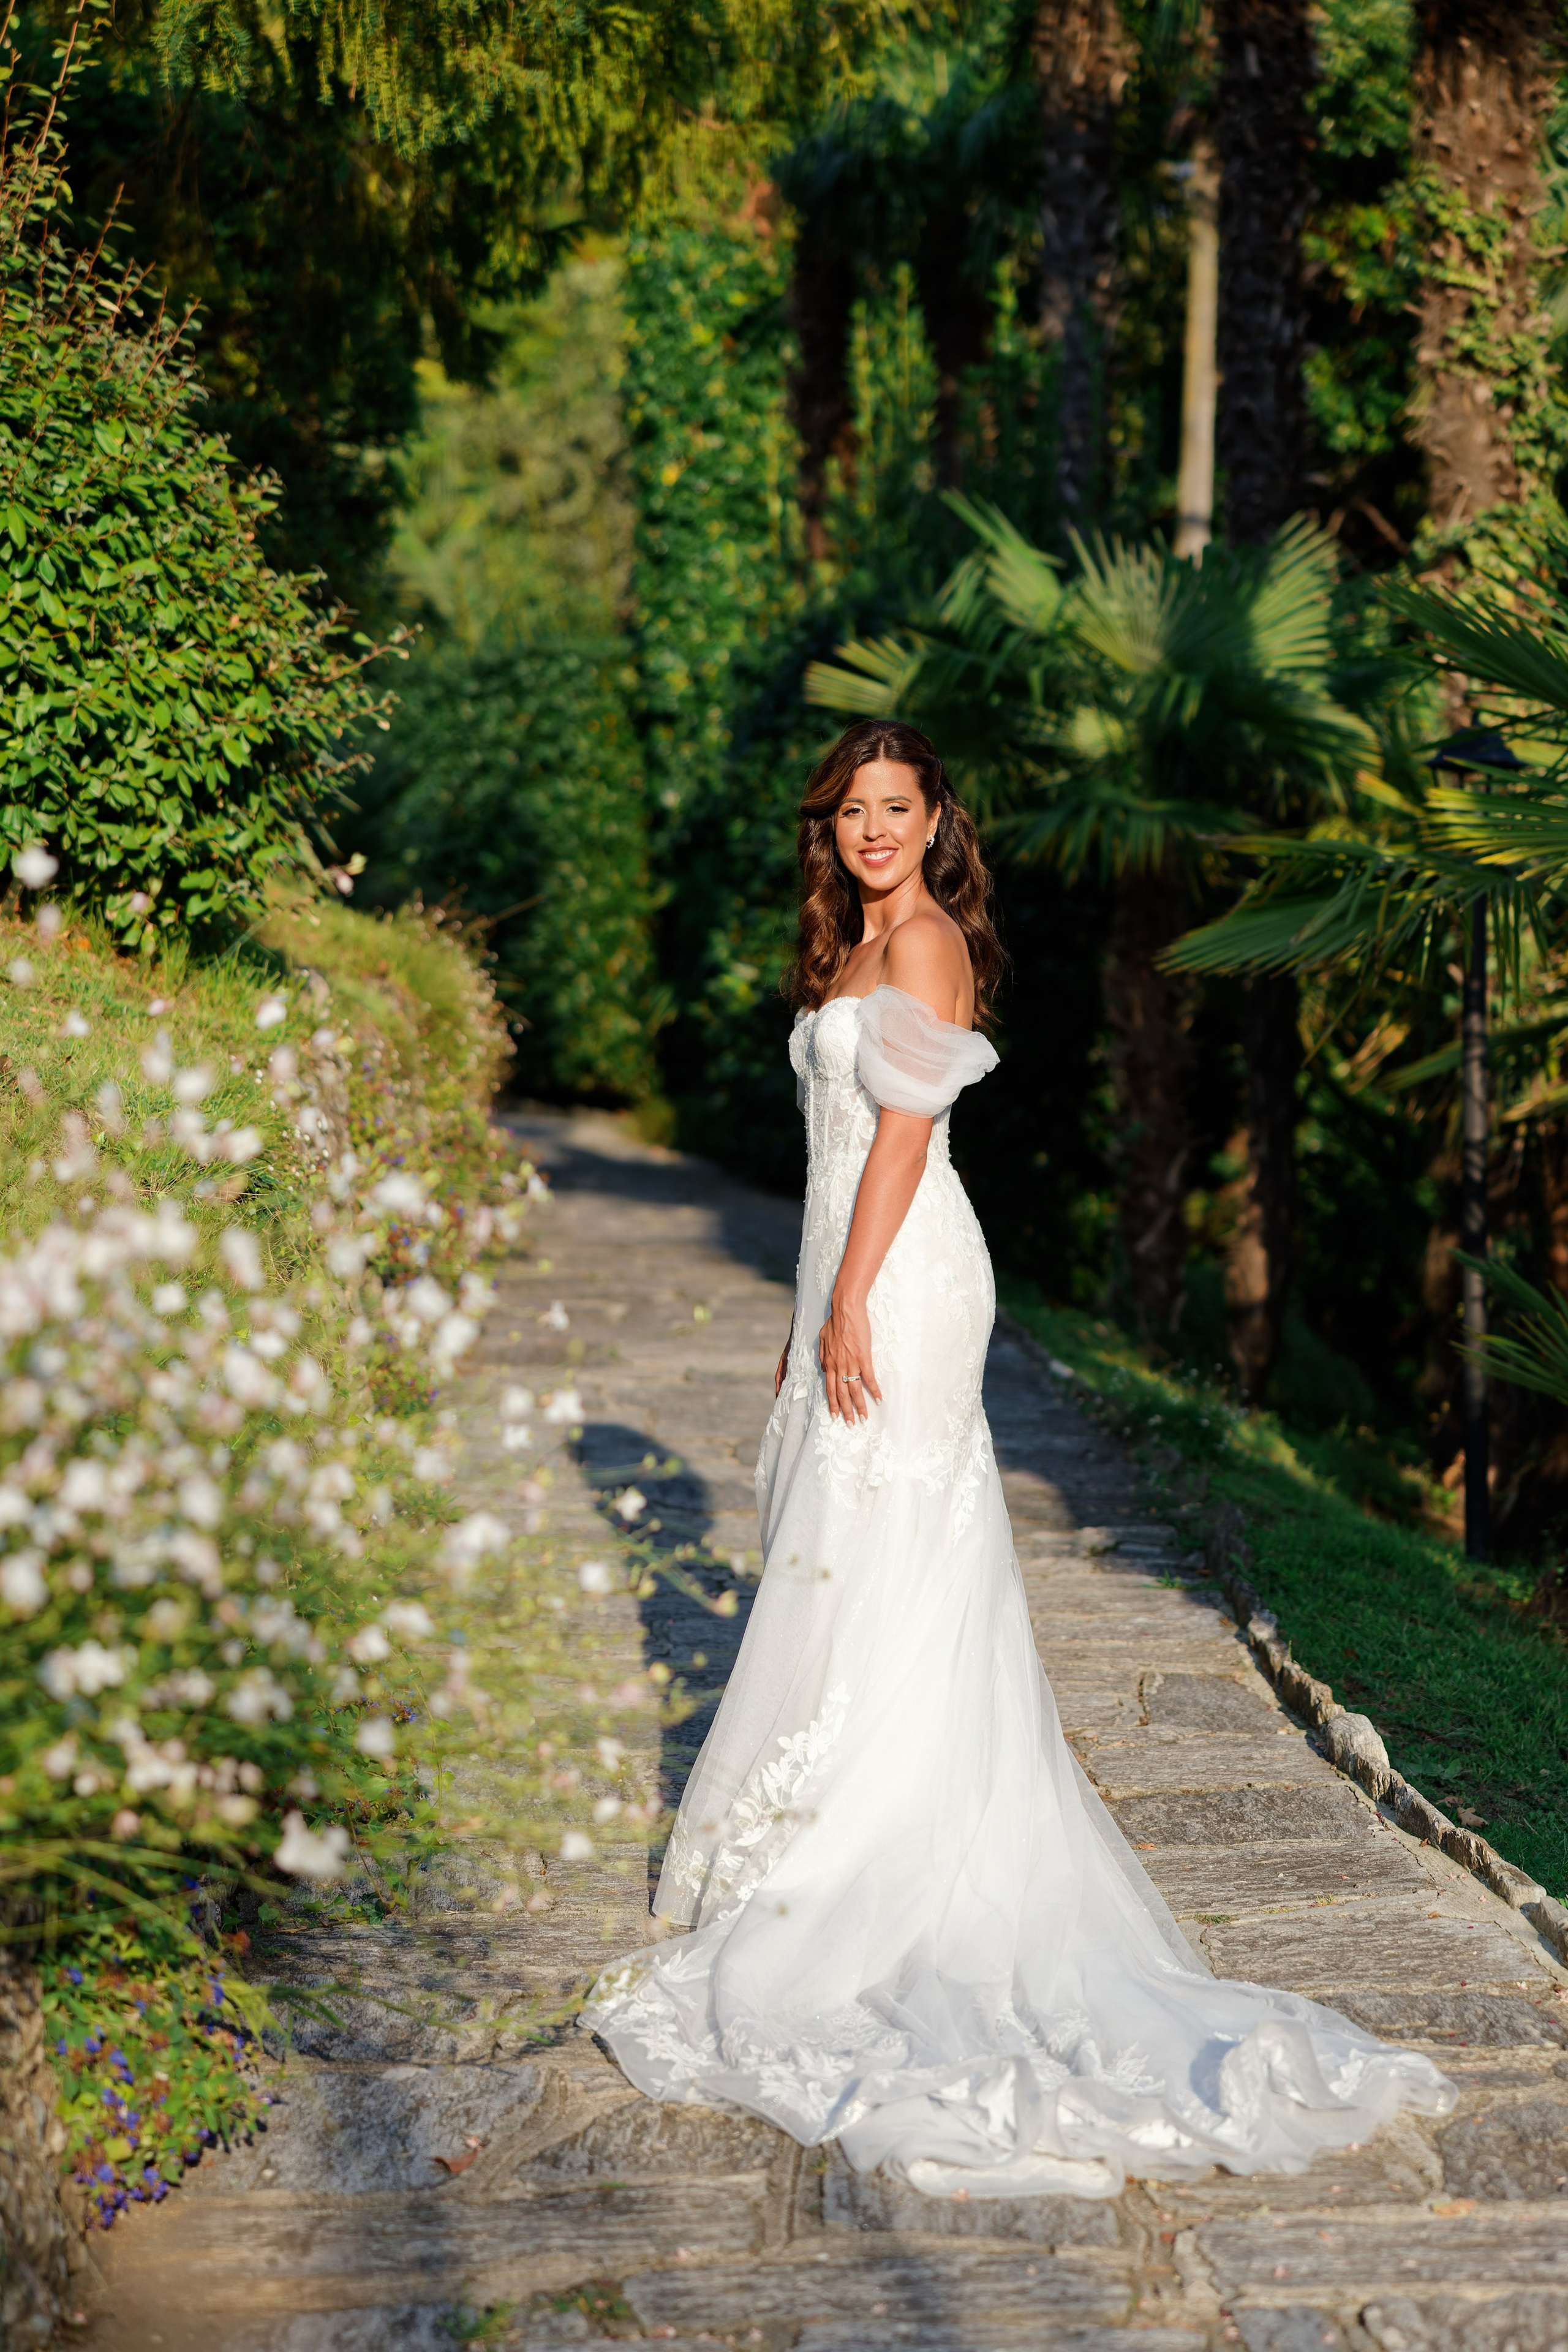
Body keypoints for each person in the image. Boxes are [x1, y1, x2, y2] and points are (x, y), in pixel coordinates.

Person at [584, 719, 1453, 2196]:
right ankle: (823, 1829)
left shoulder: (922, 947)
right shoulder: (841, 946)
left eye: (895, 808)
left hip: (908, 1274)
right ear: (831, 826)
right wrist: (806, 1311)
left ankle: (878, 1851)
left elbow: (904, 1148)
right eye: (850, 809)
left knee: (887, 1540)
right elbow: (827, 1146)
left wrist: (852, 1299)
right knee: (828, 1532)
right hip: (842, 1267)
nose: (871, 831)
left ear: (935, 824)